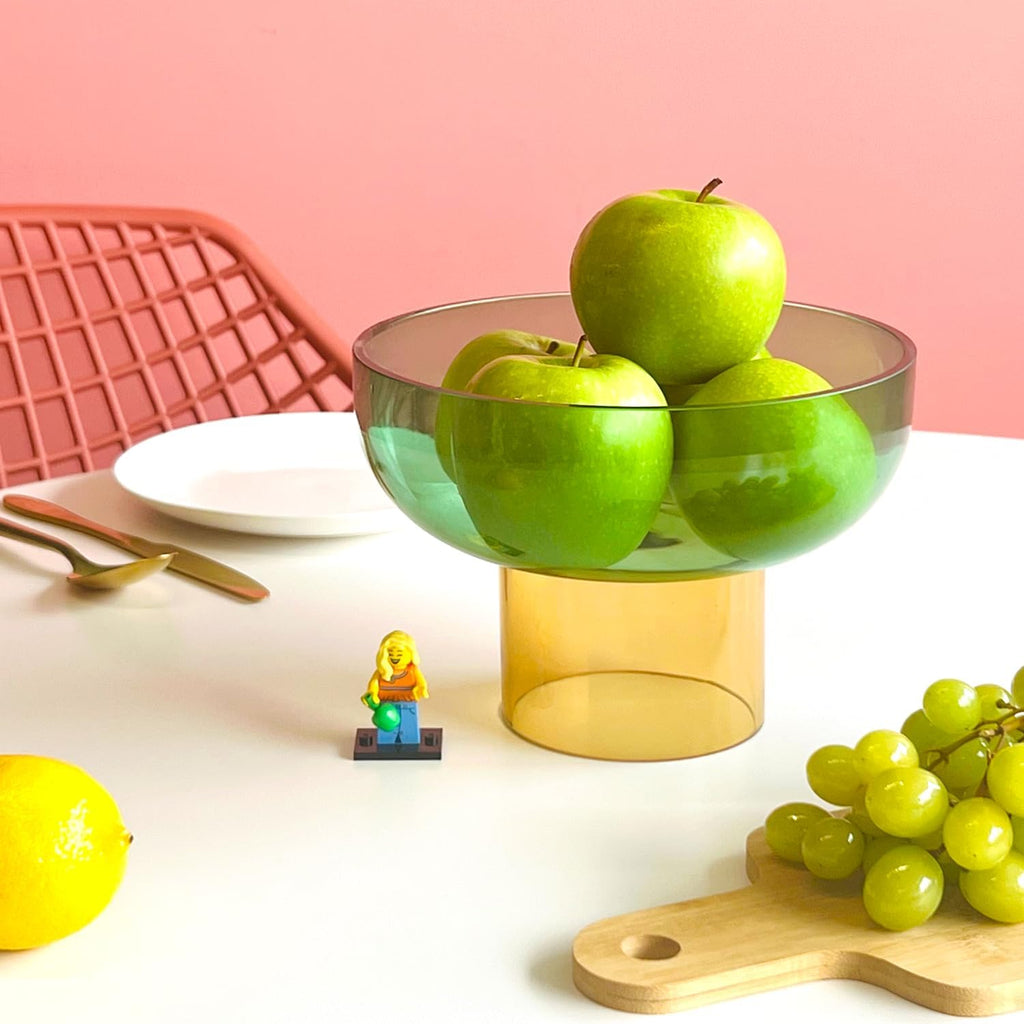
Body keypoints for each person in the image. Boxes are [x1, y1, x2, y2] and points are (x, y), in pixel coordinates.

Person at [360, 630, 428, 746]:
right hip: (386, 705)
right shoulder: (382, 673)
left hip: (408, 704)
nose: (395, 657)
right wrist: (372, 694)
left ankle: (411, 743)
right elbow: (374, 684)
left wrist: (421, 688)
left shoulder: (412, 671)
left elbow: (421, 682)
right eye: (391, 654)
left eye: (399, 654)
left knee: (410, 728)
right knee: (386, 732)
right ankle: (385, 744)